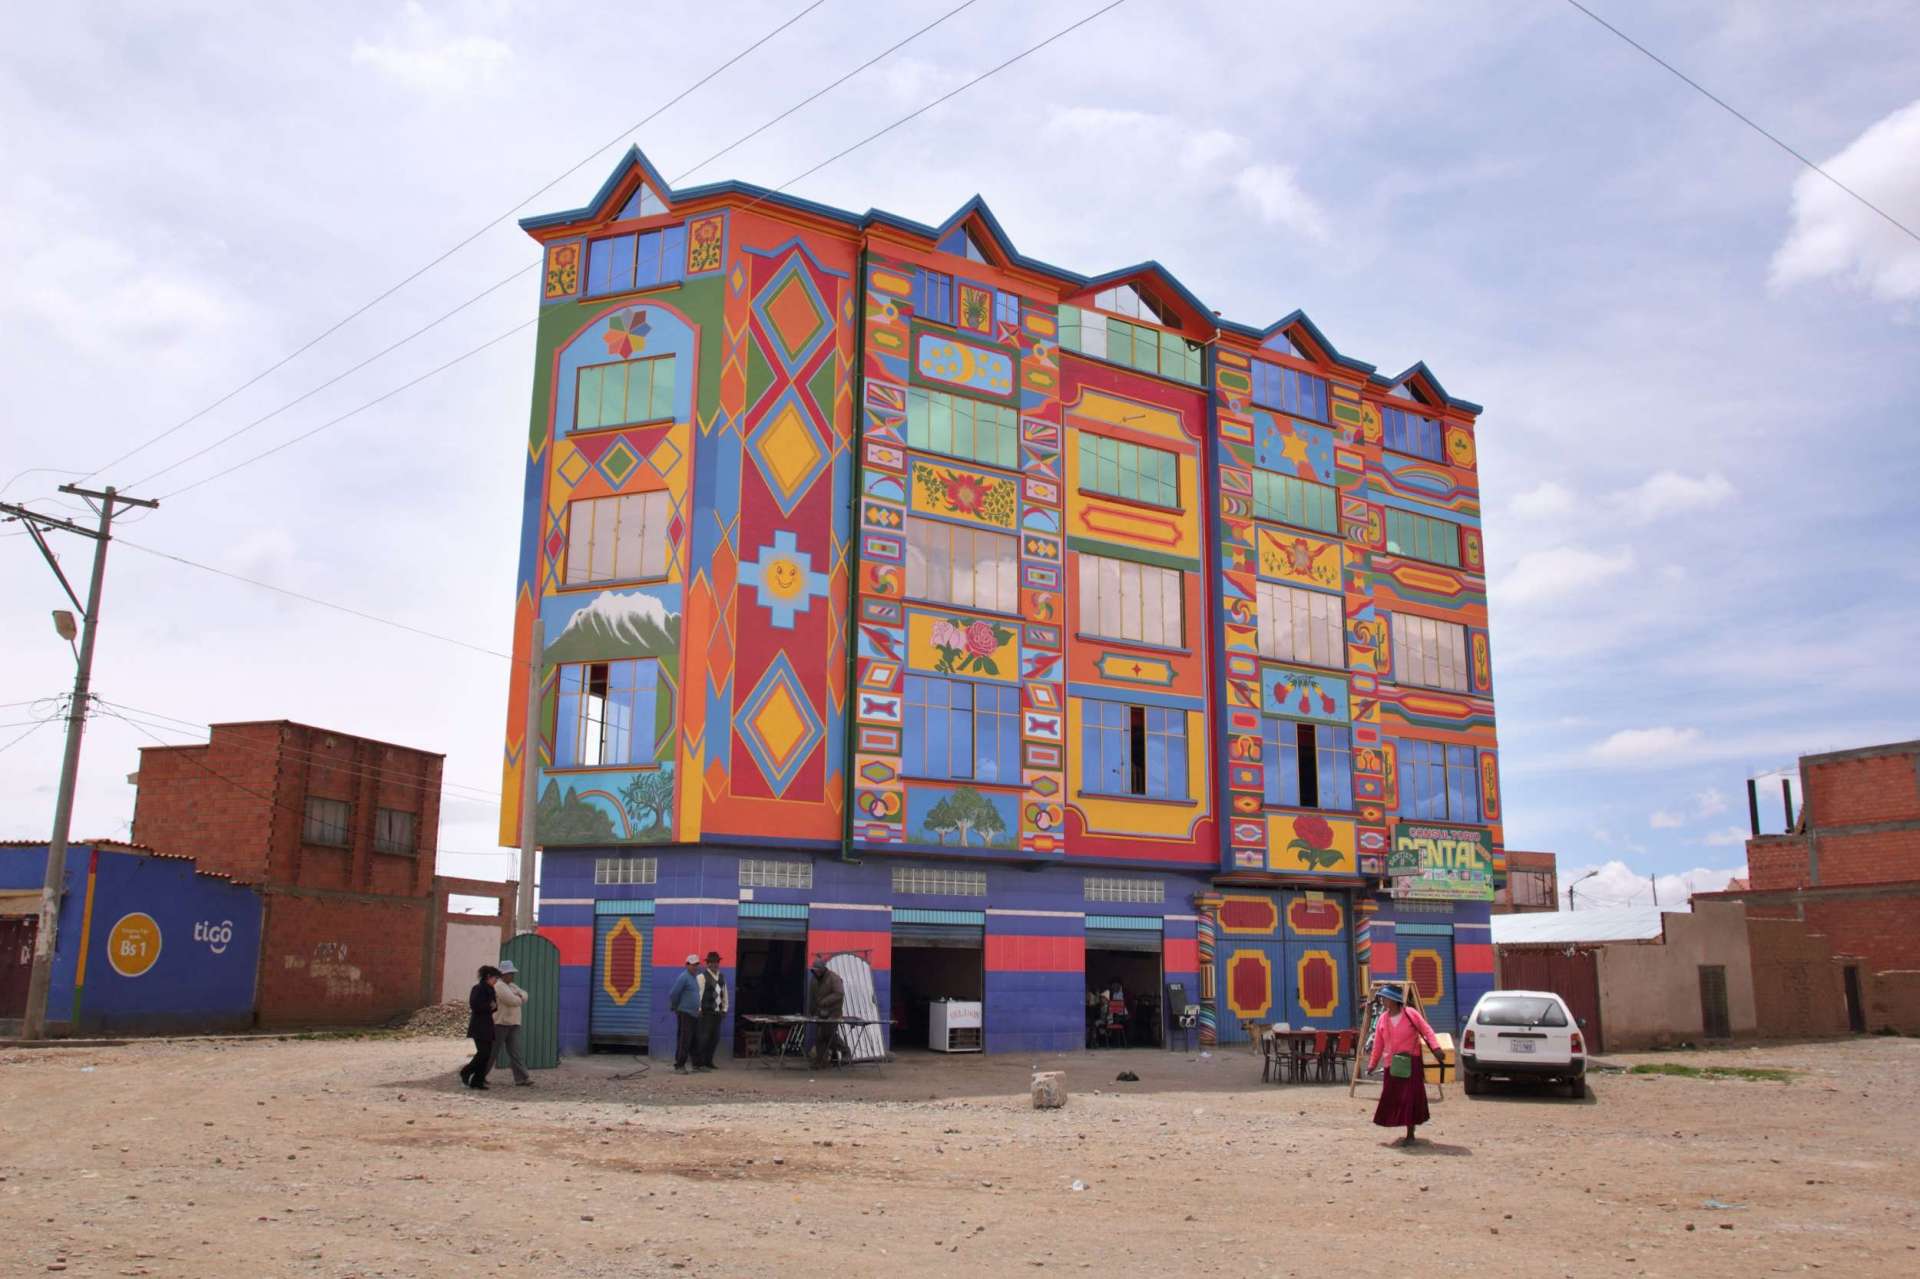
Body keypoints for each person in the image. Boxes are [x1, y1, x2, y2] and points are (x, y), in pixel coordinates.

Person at [1367, 984, 1445, 1146]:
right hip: (1391, 1065)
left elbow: (1427, 1031)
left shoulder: (1411, 1014)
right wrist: (1372, 1064)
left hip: (1411, 1063)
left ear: (1393, 1000)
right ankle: (1397, 1123)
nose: (1382, 1000)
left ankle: (1410, 1133)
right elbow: (1378, 1044)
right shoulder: (1382, 1019)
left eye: (1385, 998)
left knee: (1410, 1097)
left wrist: (1436, 1048)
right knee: (1392, 1097)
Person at [492, 959, 532, 1087]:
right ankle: (479, 1076)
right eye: (509, 973)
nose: (512, 975)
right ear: (503, 974)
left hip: (514, 1023)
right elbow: (511, 1001)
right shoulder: (499, 986)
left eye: (512, 973)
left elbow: (525, 994)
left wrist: (520, 996)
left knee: (516, 1053)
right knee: (492, 1052)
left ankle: (522, 1078)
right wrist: (519, 997)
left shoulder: (512, 986)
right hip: (500, 1023)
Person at [459, 965, 500, 1090]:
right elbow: (475, 1005)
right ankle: (466, 1071)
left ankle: (477, 1081)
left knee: (487, 1054)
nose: (496, 981)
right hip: (478, 1025)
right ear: (488, 976)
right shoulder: (478, 988)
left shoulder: (491, 990)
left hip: (487, 1025)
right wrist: (489, 1006)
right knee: (483, 1053)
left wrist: (493, 1007)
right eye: (495, 978)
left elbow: (494, 1006)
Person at [806, 958, 845, 1069]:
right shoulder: (814, 979)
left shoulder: (834, 978)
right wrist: (812, 1011)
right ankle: (821, 1061)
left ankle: (845, 1051)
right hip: (820, 1013)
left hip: (833, 1013)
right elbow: (812, 997)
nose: (816, 972)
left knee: (827, 1035)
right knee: (820, 1037)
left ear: (823, 969)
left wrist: (825, 1001)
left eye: (818, 970)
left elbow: (839, 994)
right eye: (814, 970)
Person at [693, 950, 728, 1071]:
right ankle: (699, 1063)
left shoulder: (721, 977)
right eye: (712, 962)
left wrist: (725, 1008)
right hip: (705, 1013)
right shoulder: (701, 977)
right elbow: (698, 994)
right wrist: (698, 1008)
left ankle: (708, 1061)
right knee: (703, 1038)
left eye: (716, 962)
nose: (714, 964)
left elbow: (725, 994)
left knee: (715, 1039)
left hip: (717, 1013)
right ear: (707, 964)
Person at [667, 953, 702, 1074]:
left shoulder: (694, 977)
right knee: (685, 1040)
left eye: (696, 965)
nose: (695, 967)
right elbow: (673, 993)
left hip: (694, 1014)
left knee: (694, 1040)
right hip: (685, 1013)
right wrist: (675, 1006)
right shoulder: (684, 977)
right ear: (687, 965)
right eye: (693, 965)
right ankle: (679, 1065)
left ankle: (696, 1065)